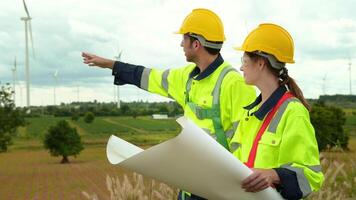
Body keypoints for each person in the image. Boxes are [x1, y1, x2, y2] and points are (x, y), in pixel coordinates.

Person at [82, 8, 255, 200]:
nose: (181, 44)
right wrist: (112, 65)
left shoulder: (234, 83)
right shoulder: (187, 77)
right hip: (190, 185)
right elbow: (150, 77)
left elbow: (248, 139)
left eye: (184, 39)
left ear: (196, 44)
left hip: (219, 189)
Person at [229, 23, 324, 200]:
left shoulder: (294, 112)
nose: (241, 68)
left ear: (260, 63)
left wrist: (274, 174)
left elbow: (311, 175)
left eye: (244, 61)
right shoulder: (250, 114)